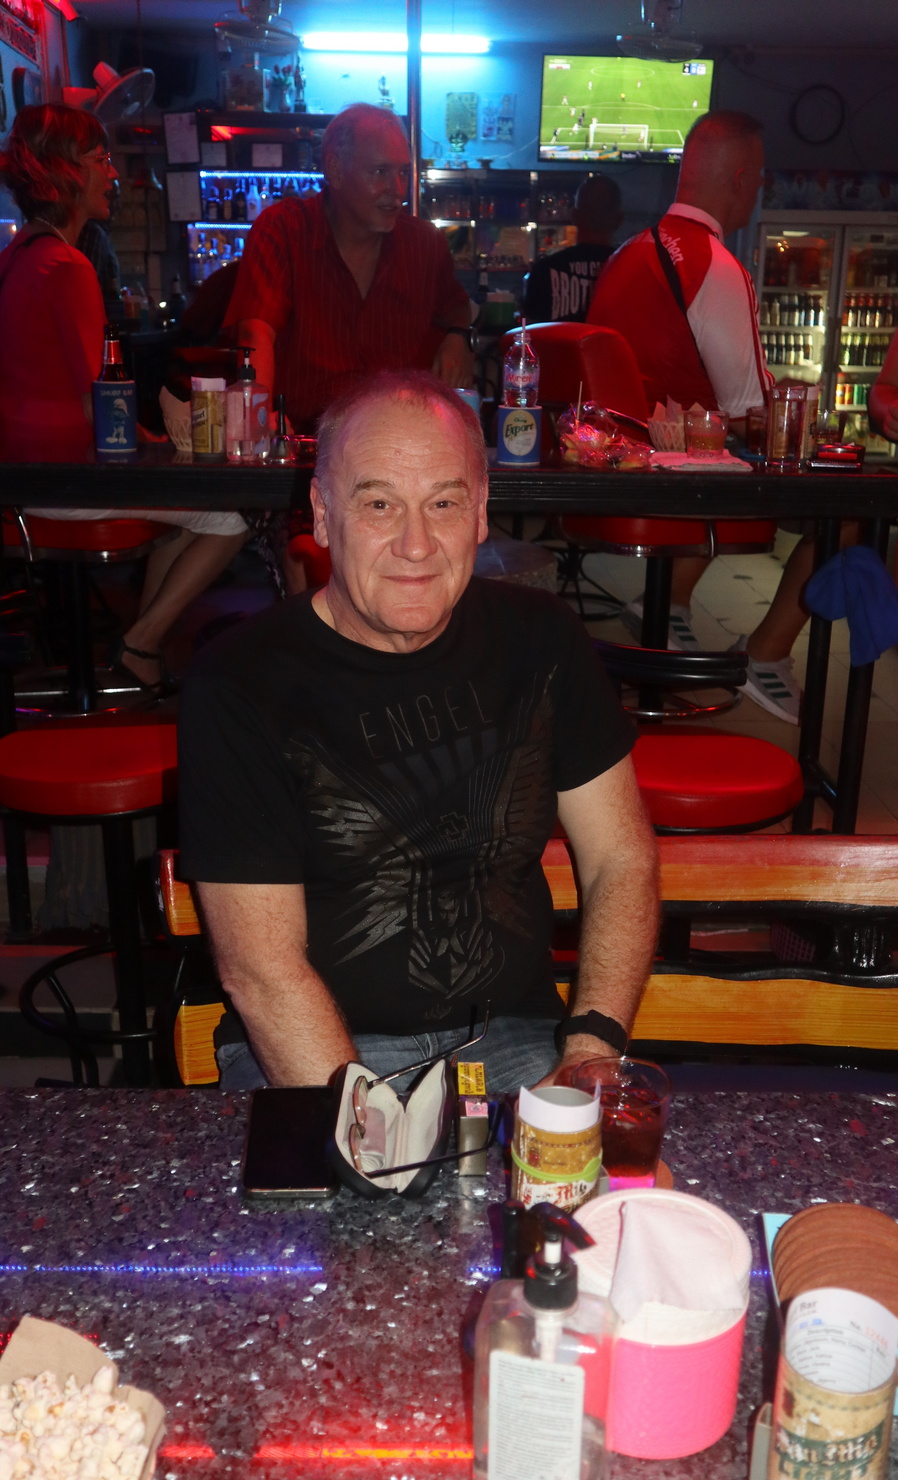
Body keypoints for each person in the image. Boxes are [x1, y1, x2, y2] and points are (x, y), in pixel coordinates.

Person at [178, 371, 659, 1093]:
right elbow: (261, 971)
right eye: (379, 504)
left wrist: (589, 1053)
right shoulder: (239, 683)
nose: (416, 543)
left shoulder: (542, 640)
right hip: (316, 1050)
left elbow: (619, 858)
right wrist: (368, 1126)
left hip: (514, 1037)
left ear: (480, 513)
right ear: (323, 514)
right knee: (346, 1175)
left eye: (443, 503)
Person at [0, 104, 250, 693]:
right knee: (232, 514)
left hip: (20, 480)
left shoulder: (14, 259)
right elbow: (104, 405)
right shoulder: (67, 266)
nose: (113, 173)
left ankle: (145, 648)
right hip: (64, 483)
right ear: (66, 171)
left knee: (184, 509)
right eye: (102, 159)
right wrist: (161, 448)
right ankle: (140, 647)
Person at [588, 110, 812, 724]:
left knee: (717, 444)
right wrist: (801, 413)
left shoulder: (628, 254)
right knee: (846, 517)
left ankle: (670, 605)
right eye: (759, 178)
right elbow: (752, 411)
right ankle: (767, 654)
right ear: (739, 179)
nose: (758, 189)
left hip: (611, 476)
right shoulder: (715, 265)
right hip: (676, 490)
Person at [225, 103, 474, 436]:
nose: (398, 190)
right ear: (335, 170)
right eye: (380, 172)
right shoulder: (284, 230)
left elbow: (457, 309)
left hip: (400, 446)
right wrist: (257, 425)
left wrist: (458, 337)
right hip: (306, 442)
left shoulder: (425, 244)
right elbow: (256, 333)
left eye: (403, 172)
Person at [523, 174, 621, 324]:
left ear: (574, 215)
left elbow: (528, 332)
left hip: (554, 341)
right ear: (619, 220)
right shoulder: (633, 274)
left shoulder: (543, 270)